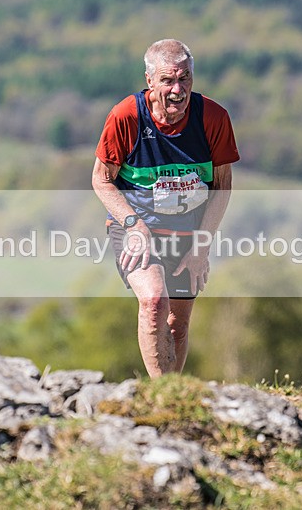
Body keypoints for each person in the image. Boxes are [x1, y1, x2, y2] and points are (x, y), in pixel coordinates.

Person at [91, 39, 240, 378]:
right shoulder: (126, 116)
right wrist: (133, 225)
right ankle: (161, 392)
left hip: (190, 229)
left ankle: (171, 395)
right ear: (149, 81)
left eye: (185, 79)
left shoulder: (213, 118)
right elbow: (101, 180)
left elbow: (222, 185)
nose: (178, 89)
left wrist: (202, 245)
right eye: (167, 80)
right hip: (135, 226)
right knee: (155, 301)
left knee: (177, 323)